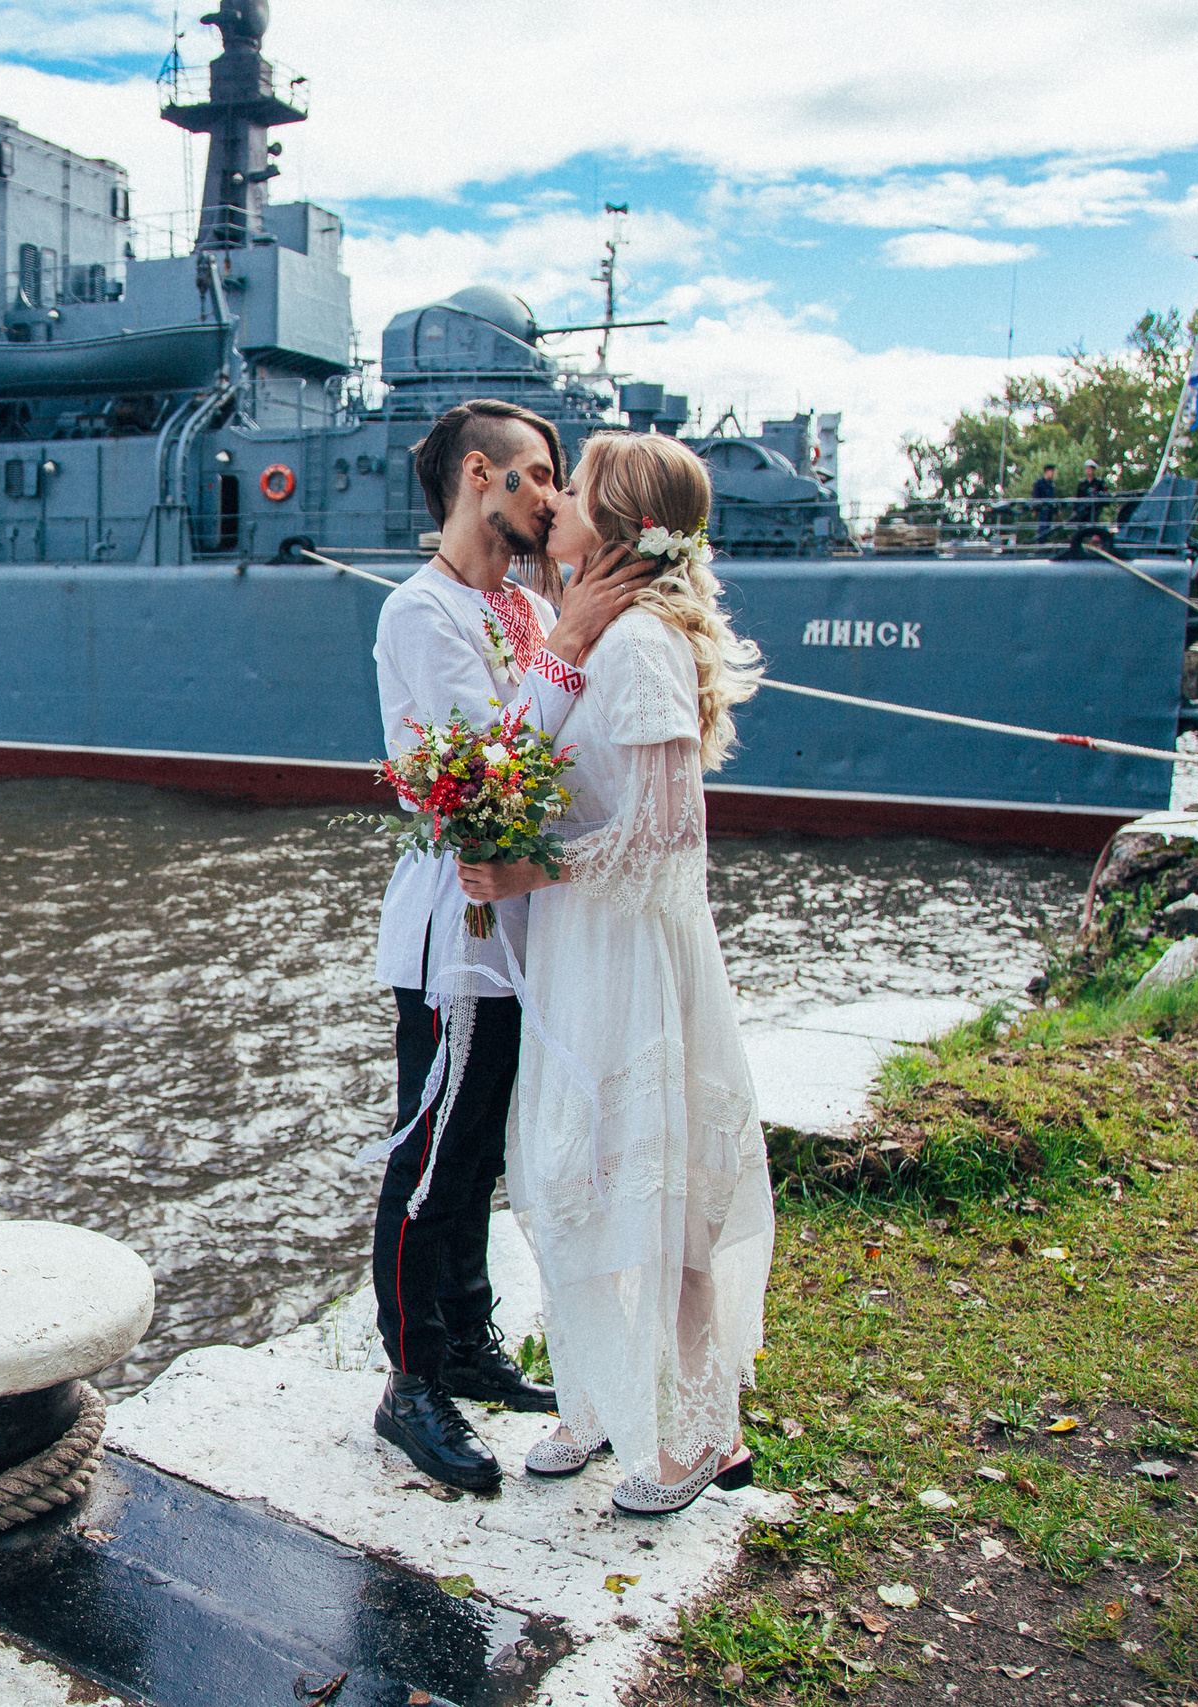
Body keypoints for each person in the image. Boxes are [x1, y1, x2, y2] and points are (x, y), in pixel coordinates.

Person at [457, 431, 776, 1517]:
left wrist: (524, 865)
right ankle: (594, 1398)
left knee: (659, 1187)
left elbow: (663, 837)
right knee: (567, 1173)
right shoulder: (588, 633)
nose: (555, 504)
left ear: (623, 523)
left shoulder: (640, 645)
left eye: (575, 488)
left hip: (631, 952)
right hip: (581, 942)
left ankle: (696, 1436)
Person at [367, 399, 655, 1492]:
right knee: (430, 1156)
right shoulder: (421, 614)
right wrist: (572, 644)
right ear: (478, 477)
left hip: (535, 924)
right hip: (462, 937)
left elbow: (559, 751)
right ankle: (409, 1382)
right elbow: (482, 773)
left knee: (485, 1153)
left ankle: (471, 1343)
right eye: (537, 478)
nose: (551, 498)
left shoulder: (524, 609)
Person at [1030, 465, 1058, 542]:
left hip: (1050, 510)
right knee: (1042, 529)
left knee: (1049, 530)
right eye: (1051, 471)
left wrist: (1056, 511)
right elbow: (1035, 497)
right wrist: (1034, 509)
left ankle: (1047, 546)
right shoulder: (1039, 483)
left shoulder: (1051, 484)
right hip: (1042, 510)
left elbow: (1053, 498)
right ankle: (1041, 545)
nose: (1052, 473)